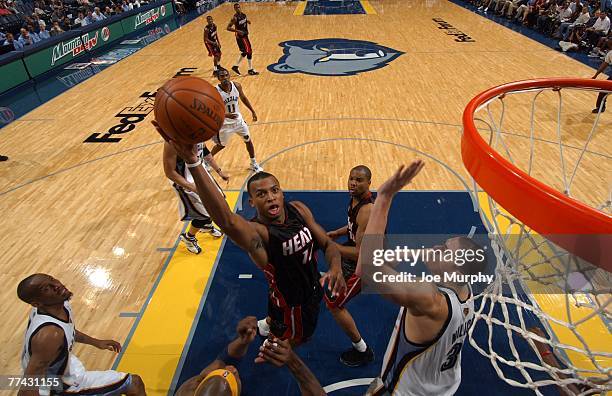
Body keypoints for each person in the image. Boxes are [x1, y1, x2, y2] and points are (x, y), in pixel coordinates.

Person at [152, 123, 347, 344]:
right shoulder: (258, 233)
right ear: (252, 202)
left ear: (282, 193)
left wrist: (336, 267)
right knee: (294, 341)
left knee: (276, 310)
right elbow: (226, 220)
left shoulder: (299, 209)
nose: (271, 197)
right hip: (294, 305)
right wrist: (193, 163)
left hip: (301, 290)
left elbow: (328, 245)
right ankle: (277, 344)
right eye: (262, 194)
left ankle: (270, 324)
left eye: (275, 190)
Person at [358, 162, 489, 395]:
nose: (438, 246)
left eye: (445, 251)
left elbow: (366, 270)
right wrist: (416, 254)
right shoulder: (466, 289)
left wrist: (384, 198)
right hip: (442, 387)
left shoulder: (429, 298)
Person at [17, 273, 146, 396]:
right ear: (37, 303)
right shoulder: (50, 334)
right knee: (134, 383)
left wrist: (96, 342)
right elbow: (28, 385)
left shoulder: (58, 305)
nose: (56, 285)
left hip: (62, 370)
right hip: (60, 388)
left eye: (51, 279)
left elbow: (68, 332)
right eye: (46, 289)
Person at [177, 316, 325, 395]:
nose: (233, 369)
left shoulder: (188, 390)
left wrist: (242, 342)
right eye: (233, 377)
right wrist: (292, 360)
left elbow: (223, 360)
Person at [325, 165, 375, 367]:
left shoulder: (367, 210)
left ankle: (362, 350)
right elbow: (353, 226)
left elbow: (361, 253)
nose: (353, 182)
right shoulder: (355, 199)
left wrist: (332, 246)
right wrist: (337, 234)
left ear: (369, 183)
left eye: (359, 180)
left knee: (335, 305)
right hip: (354, 253)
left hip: (365, 264)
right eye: (351, 178)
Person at [163, 141, 226, 254]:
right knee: (204, 214)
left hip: (202, 174)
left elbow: (206, 154)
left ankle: (206, 226)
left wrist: (219, 171)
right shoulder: (172, 141)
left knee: (218, 202)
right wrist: (193, 188)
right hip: (186, 182)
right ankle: (189, 238)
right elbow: (170, 172)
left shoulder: (199, 131)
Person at [211, 69, 263, 173]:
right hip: (224, 124)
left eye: (226, 75)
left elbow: (243, 98)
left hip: (238, 121)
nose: (225, 78)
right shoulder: (215, 91)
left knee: (248, 140)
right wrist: (226, 115)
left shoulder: (237, 86)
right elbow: (211, 109)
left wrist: (252, 111)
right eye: (222, 76)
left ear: (229, 76)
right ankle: (207, 161)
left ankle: (253, 163)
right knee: (221, 145)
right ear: (218, 78)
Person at [227, 3, 258, 76]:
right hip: (241, 37)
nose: (238, 8)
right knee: (249, 51)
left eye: (238, 7)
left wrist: (247, 21)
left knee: (244, 52)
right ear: (234, 9)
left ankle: (235, 66)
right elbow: (228, 28)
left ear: (240, 7)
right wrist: (238, 31)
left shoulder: (243, 15)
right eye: (236, 8)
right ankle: (250, 70)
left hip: (245, 35)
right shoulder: (234, 18)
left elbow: (243, 21)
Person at [591, 41, 612, 113]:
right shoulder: (610, 54)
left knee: (603, 89)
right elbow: (604, 65)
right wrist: (595, 75)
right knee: (603, 89)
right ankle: (600, 107)